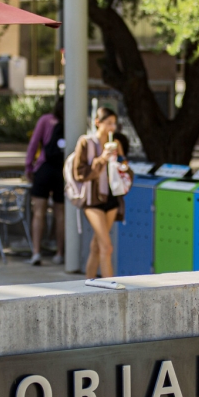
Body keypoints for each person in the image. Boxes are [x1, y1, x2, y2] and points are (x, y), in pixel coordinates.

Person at [72, 106, 125, 278]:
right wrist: (102, 159)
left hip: (111, 197)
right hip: (92, 199)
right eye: (108, 123)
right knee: (106, 247)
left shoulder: (115, 143)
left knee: (97, 246)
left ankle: (88, 286)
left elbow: (125, 167)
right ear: (97, 122)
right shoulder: (86, 142)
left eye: (114, 124)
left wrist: (120, 163)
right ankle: (109, 291)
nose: (112, 127)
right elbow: (79, 173)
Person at [25, 97, 66, 266]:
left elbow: (34, 143)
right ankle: (60, 253)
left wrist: (29, 166)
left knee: (39, 212)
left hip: (44, 169)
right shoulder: (73, 121)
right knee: (60, 213)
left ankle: (36, 252)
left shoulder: (46, 120)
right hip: (62, 171)